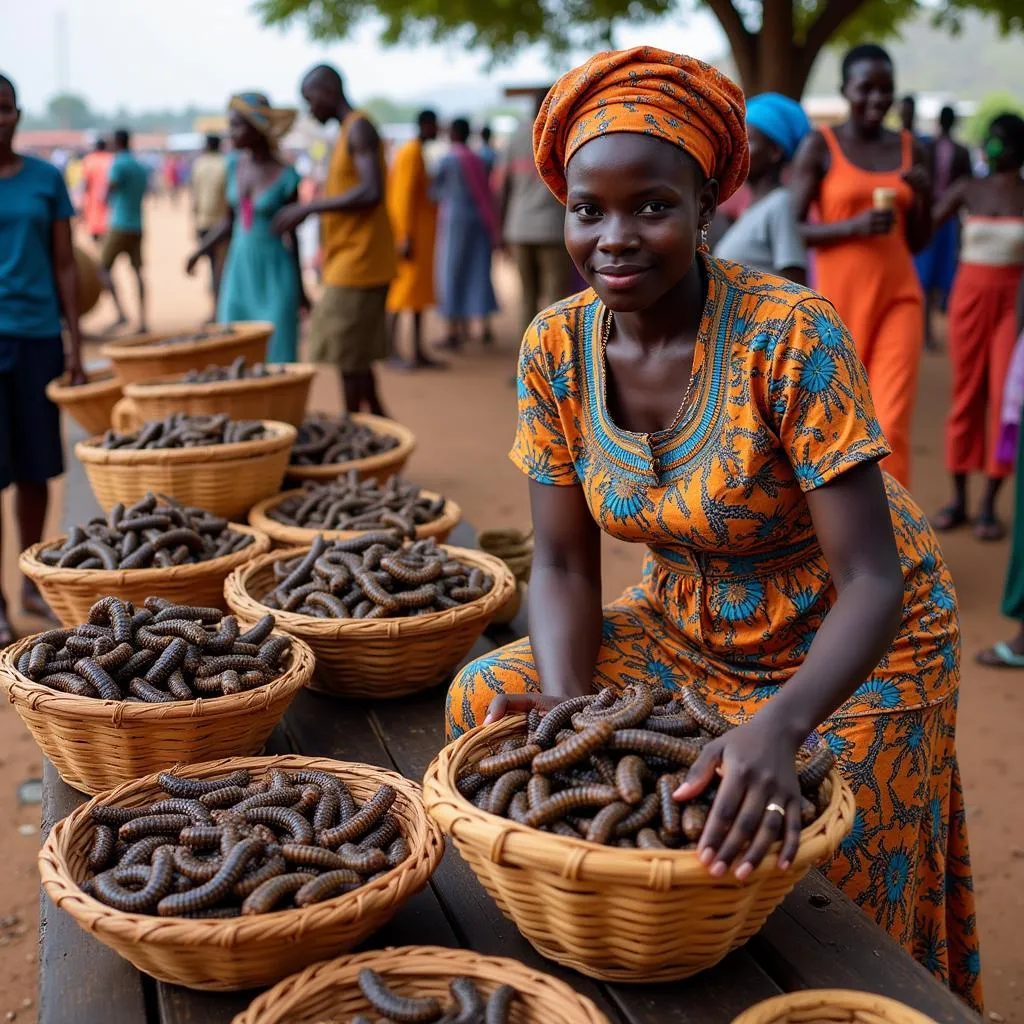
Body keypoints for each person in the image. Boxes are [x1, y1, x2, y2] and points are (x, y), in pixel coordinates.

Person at [445, 47, 981, 1010]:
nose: (614, 237)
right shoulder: (556, 347)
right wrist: (576, 719)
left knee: (823, 831)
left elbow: (872, 579)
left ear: (708, 209)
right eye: (587, 209)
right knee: (490, 698)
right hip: (687, 618)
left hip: (851, 637)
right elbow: (564, 562)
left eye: (652, 205)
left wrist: (781, 725)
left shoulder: (788, 334)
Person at [790, 44, 932, 488]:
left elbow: (918, 240)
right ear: (845, 90)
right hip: (838, 309)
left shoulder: (912, 149)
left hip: (899, 298)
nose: (876, 99)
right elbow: (790, 228)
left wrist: (924, 197)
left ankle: (895, 543)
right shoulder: (821, 145)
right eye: (865, 88)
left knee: (892, 421)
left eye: (885, 90)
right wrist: (852, 226)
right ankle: (836, 539)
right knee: (839, 422)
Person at [0, 73, 85, 646]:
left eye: (5, 108)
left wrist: (75, 342)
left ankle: (32, 581)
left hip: (37, 340)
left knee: (35, 470)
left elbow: (65, 265)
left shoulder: (47, 179)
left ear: (19, 113)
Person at [273, 64, 396, 415]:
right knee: (353, 356)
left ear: (329, 92)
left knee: (343, 350)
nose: (311, 110)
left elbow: (372, 191)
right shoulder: (346, 133)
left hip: (361, 260)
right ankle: (373, 420)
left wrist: (309, 209)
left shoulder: (359, 129)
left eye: (311, 101)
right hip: (350, 257)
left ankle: (353, 425)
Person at [931, 113, 1024, 545]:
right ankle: (959, 499)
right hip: (970, 297)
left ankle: (989, 501)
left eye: (1003, 140)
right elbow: (926, 224)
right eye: (992, 138)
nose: (994, 146)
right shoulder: (969, 188)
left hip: (1014, 303)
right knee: (966, 394)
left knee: (1007, 400)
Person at [187, 95, 305, 363]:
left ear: (258, 127)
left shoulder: (287, 176)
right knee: (233, 348)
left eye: (237, 126)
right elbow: (229, 222)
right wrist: (198, 252)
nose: (231, 133)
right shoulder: (233, 166)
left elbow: (293, 236)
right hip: (239, 273)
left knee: (278, 355)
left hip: (275, 273)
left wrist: (300, 291)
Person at [500, 89, 573, 343]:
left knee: (527, 298)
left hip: (519, 228)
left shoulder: (516, 138)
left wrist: (501, 229)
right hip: (553, 230)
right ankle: (557, 370)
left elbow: (502, 187)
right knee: (557, 300)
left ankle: (526, 367)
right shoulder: (564, 136)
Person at [714, 93, 812, 281]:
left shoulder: (780, 204)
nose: (738, 152)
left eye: (748, 142)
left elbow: (795, 283)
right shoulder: (752, 210)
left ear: (774, 152)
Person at [433, 117, 499, 350]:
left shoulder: (447, 159)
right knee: (478, 272)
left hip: (453, 222)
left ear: (452, 133)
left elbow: (435, 192)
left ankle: (453, 330)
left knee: (451, 273)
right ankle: (483, 327)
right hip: (478, 221)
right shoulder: (478, 159)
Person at [385, 110, 441, 370]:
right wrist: (404, 236)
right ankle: (389, 350)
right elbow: (401, 198)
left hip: (421, 237)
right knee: (401, 295)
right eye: (435, 126)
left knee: (417, 297)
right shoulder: (410, 152)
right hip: (412, 239)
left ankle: (417, 351)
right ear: (426, 125)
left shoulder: (416, 151)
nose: (438, 130)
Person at [915, 106, 972, 350]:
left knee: (943, 274)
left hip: (949, 221)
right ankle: (925, 332)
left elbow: (967, 184)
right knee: (926, 276)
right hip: (931, 217)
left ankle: (935, 329)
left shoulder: (961, 151)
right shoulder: (927, 148)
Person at [99, 128, 150, 334]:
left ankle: (121, 313)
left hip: (120, 224)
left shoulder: (118, 163)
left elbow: (109, 190)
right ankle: (143, 321)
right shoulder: (139, 165)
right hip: (137, 224)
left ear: (117, 142)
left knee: (102, 268)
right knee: (137, 272)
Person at [189, 134, 229, 322]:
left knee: (214, 268)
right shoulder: (226, 164)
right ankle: (219, 310)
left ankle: (217, 310)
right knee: (221, 268)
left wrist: (194, 221)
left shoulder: (199, 165)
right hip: (222, 223)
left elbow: (194, 195)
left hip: (203, 222)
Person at [80, 137, 112, 245]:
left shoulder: (89, 160)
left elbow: (85, 182)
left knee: (94, 226)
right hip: (109, 200)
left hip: (93, 199)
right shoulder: (111, 159)